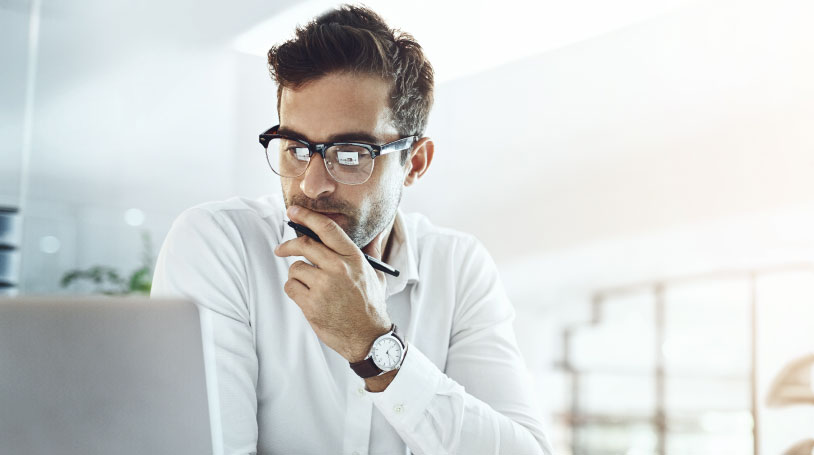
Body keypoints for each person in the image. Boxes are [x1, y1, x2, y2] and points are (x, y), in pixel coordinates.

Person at [151, 5, 552, 454]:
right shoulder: (217, 246)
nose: (312, 184)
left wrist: (374, 346)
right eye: (296, 148)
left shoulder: (459, 266)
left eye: (351, 153)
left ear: (414, 163)